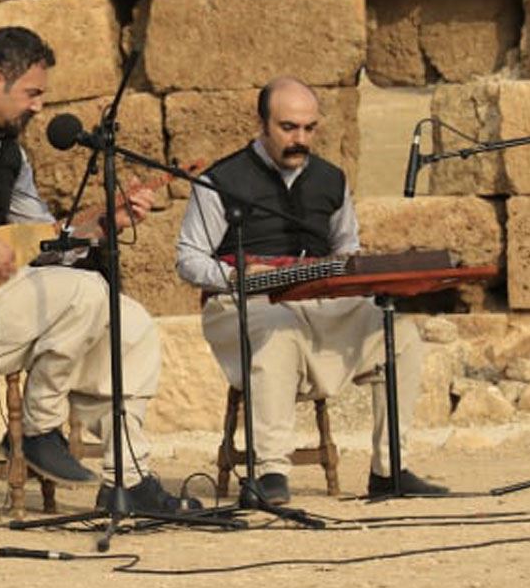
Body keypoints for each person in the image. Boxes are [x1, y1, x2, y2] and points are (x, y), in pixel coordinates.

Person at [0, 26, 197, 514]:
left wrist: (107, 219)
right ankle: (35, 428)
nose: (38, 107)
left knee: (130, 324)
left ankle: (127, 479)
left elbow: (44, 237)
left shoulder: (13, 151)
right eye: (31, 93)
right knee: (88, 291)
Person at [174, 77, 448, 503]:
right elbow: (189, 259)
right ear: (262, 124)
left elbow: (347, 248)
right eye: (288, 128)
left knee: (399, 333)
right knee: (278, 331)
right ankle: (269, 473)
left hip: (318, 301)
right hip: (245, 302)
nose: (300, 139)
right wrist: (241, 275)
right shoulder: (220, 181)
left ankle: (389, 470)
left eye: (308, 128)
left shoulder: (331, 180)